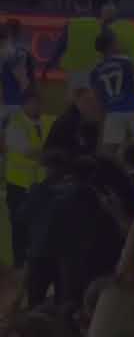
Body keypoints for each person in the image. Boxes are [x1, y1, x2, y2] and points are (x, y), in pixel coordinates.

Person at [5, 75, 55, 268]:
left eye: (38, 103)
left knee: (41, 226)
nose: (37, 107)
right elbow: (28, 151)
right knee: (19, 226)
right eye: (32, 103)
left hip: (41, 184)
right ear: (24, 104)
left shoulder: (48, 121)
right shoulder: (15, 124)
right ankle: (20, 264)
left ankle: (37, 263)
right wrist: (51, 154)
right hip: (18, 185)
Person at [90, 29, 134, 153]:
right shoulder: (126, 62)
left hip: (112, 113)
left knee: (109, 153)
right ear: (112, 44)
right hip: (132, 110)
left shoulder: (96, 70)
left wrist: (101, 120)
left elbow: (97, 98)